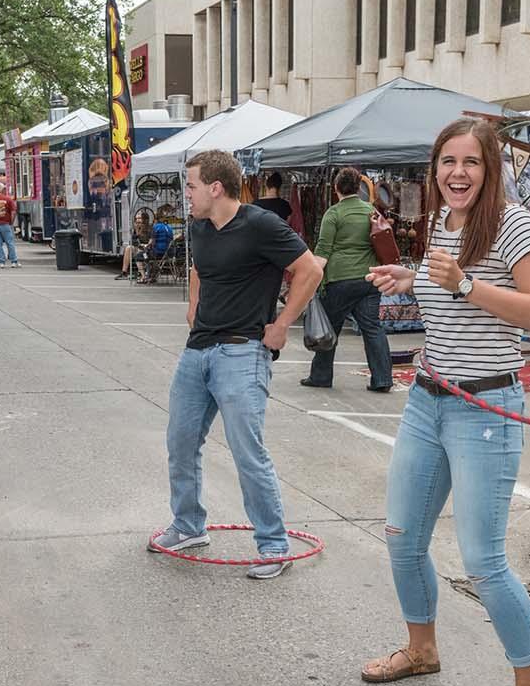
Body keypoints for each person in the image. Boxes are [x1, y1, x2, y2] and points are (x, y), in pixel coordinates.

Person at [362, 118, 530, 686]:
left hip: (485, 410)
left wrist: (467, 284)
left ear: (490, 168)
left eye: (470, 162)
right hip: (427, 400)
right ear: (435, 169)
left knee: (483, 561)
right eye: (447, 161)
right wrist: (413, 280)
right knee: (401, 537)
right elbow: (448, 298)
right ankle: (421, 649)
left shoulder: (511, 223)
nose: (457, 173)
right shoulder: (443, 222)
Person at [148, 150, 323, 580]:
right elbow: (198, 269)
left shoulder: (260, 224)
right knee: (180, 443)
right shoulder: (200, 227)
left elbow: (310, 270)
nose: (185, 194)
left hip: (243, 352)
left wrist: (283, 324)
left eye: (190, 186)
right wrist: (193, 307)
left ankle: (274, 545)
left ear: (215, 187)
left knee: (248, 452)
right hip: (198, 351)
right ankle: (188, 526)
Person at [302, 168, 393, 392]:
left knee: (329, 327)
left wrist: (307, 280)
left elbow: (323, 252)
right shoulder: (371, 211)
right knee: (372, 328)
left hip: (339, 280)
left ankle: (321, 376)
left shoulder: (333, 214)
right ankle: (382, 379)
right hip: (368, 278)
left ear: (336, 189)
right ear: (358, 188)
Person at [116, 213, 153, 281]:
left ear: (144, 219)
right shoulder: (136, 229)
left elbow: (151, 240)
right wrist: (137, 233)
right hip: (139, 247)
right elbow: (133, 241)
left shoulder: (149, 228)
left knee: (140, 252)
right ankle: (124, 272)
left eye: (139, 218)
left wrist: (144, 245)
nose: (138, 221)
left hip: (147, 248)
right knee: (128, 248)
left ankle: (142, 274)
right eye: (136, 219)